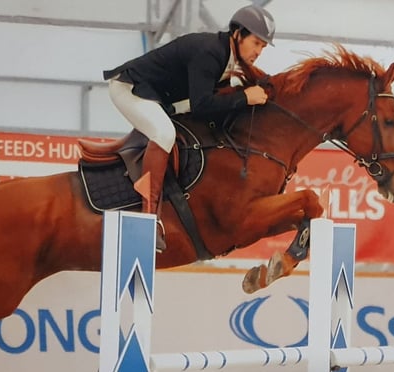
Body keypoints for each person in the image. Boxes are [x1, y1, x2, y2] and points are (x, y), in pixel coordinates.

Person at [103, 4, 276, 252]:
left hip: (160, 97)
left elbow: (211, 105)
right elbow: (203, 104)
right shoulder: (210, 52)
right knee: (164, 133)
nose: (259, 51)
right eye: (257, 43)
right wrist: (245, 98)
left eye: (263, 46)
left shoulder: (226, 58)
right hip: (130, 89)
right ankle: (148, 218)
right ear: (237, 34)